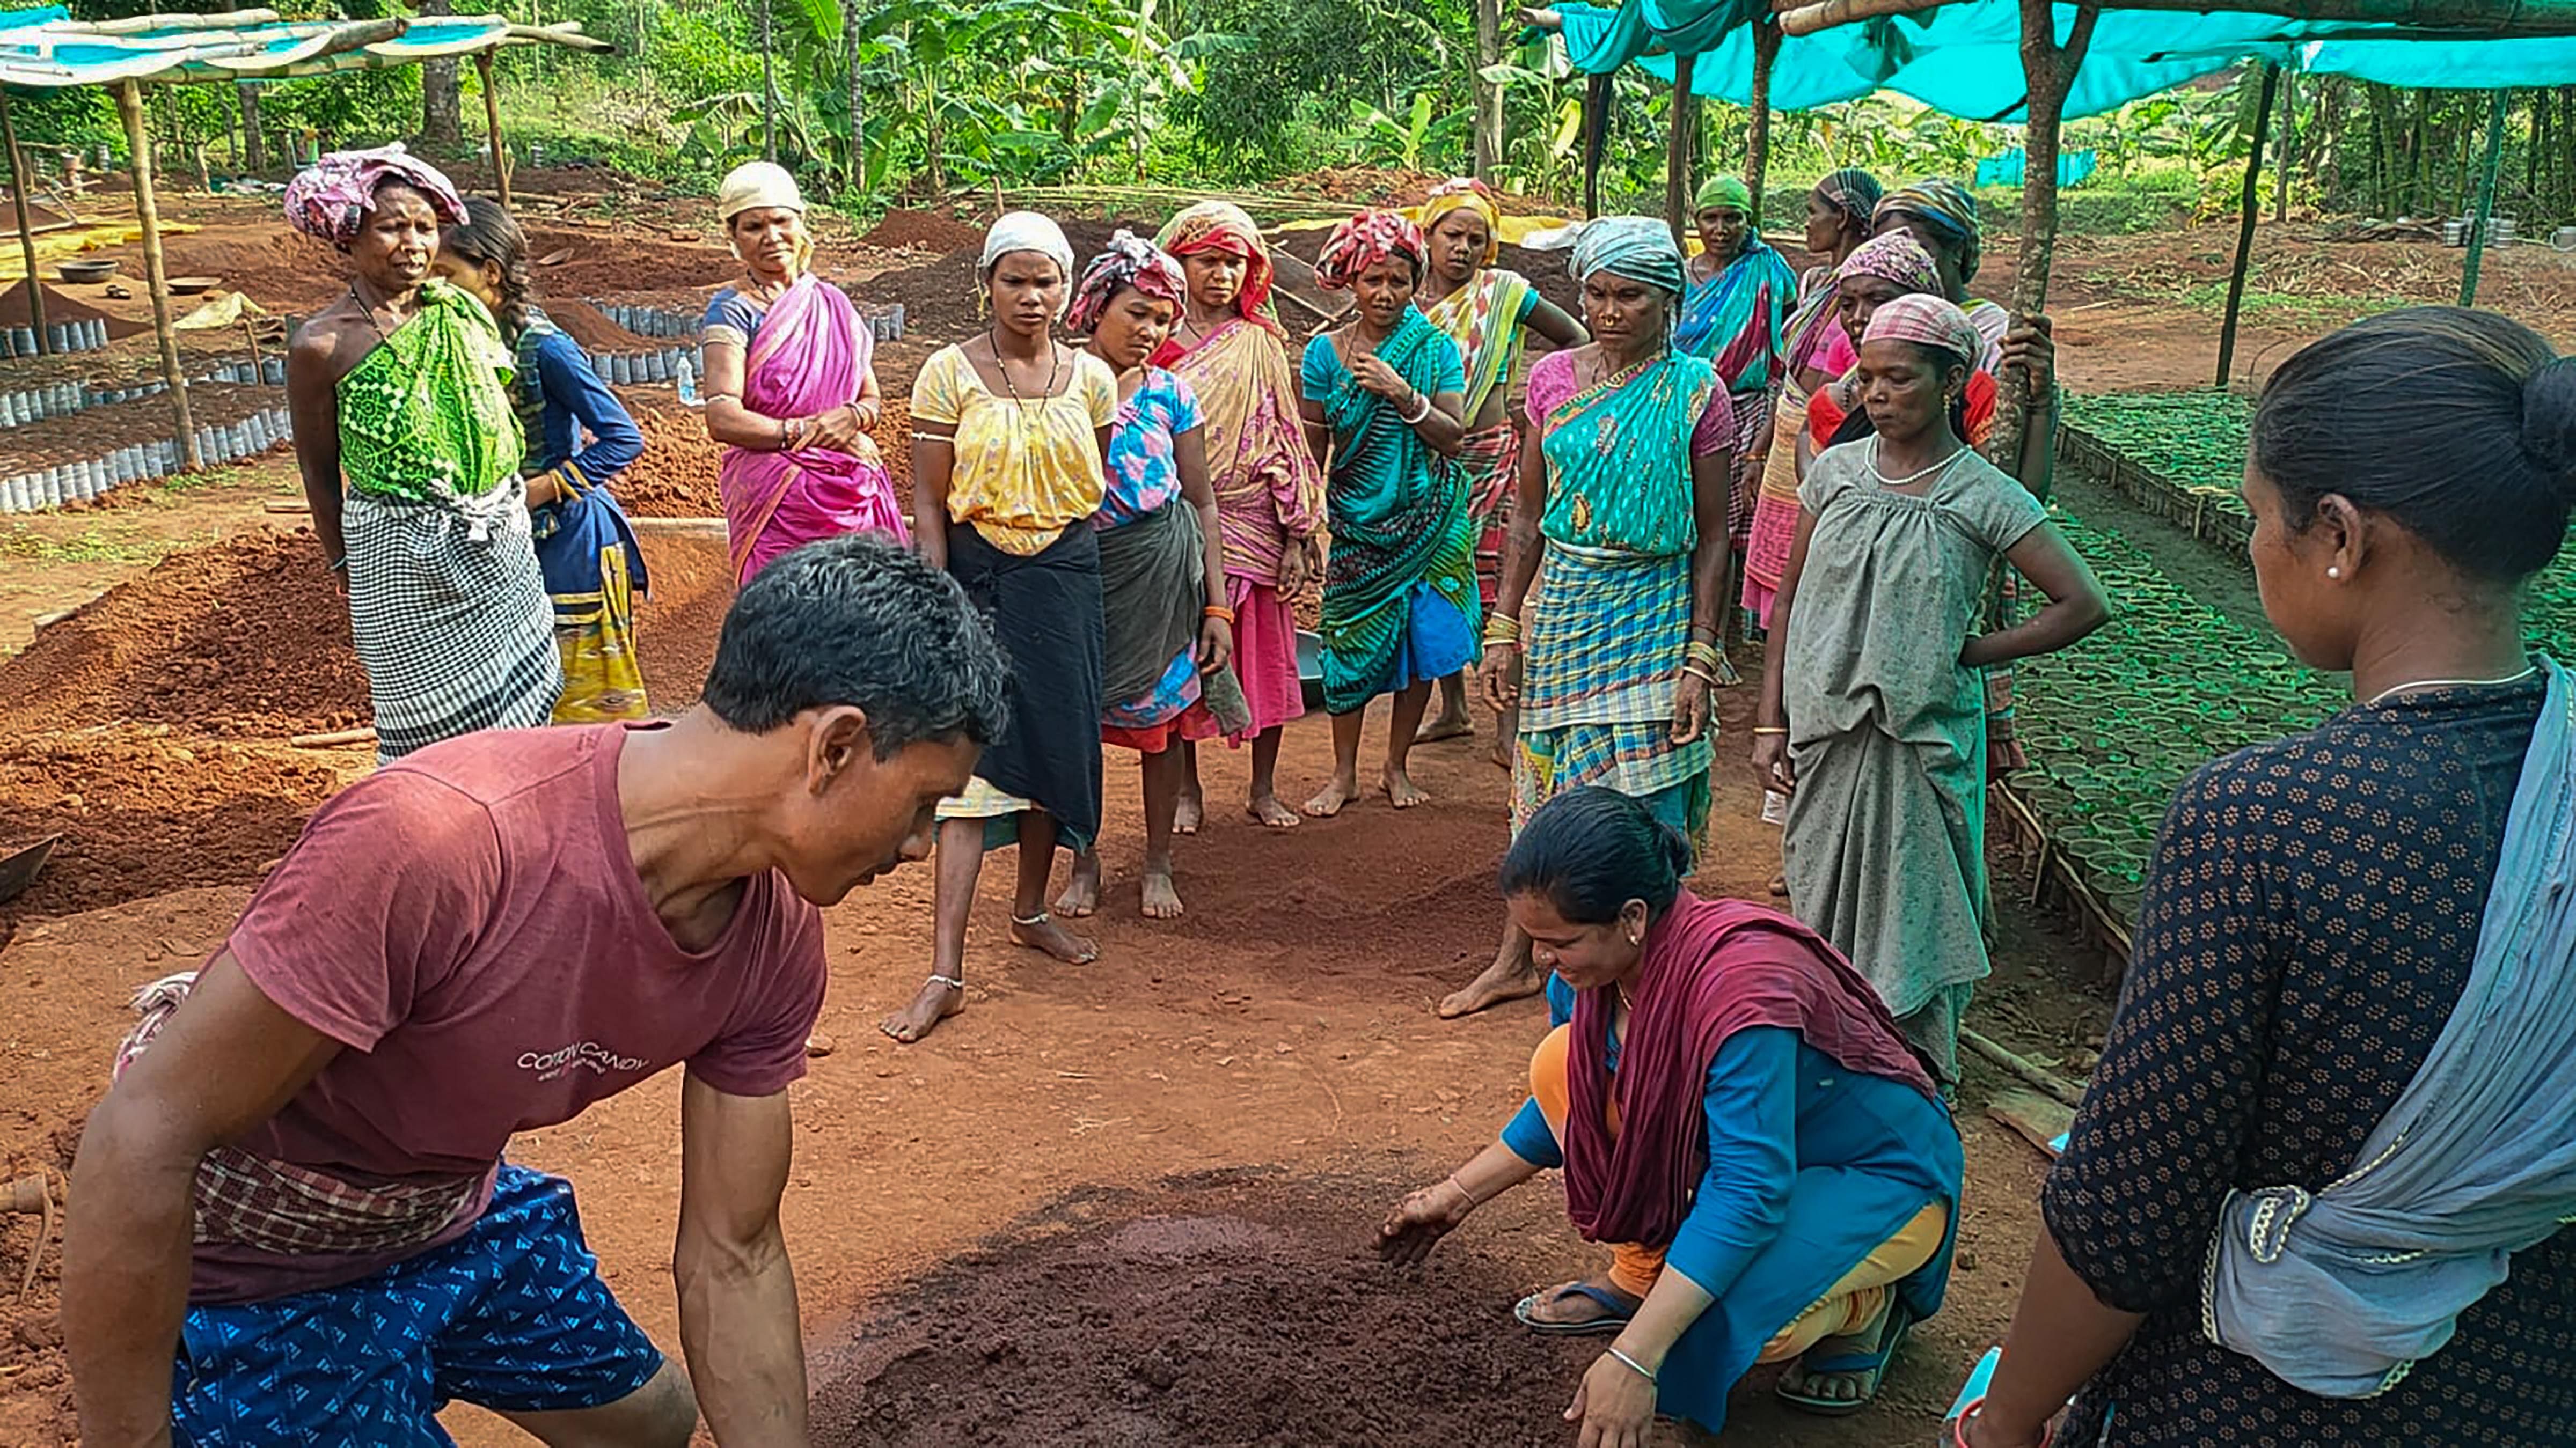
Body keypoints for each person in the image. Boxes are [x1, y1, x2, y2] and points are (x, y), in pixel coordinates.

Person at [61, 535, 1011, 1447]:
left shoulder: (775, 937)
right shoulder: (440, 842)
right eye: (925, 800)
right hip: (260, 1275)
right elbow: (143, 1135)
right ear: (835, 748)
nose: (921, 844)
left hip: (443, 1204)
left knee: (647, 1423)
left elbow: (737, 1251)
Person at [1961, 308, 2576, 1448]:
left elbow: (2127, 1213)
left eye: (2255, 515)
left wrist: (2007, 1418)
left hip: (2260, 1403)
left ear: (2338, 534)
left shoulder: (2266, 819)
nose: (2253, 545)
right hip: (2526, 1386)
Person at [1381, 787, 1965, 1436]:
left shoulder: (1744, 992)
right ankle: (1642, 1275)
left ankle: (1865, 1308)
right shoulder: (1594, 976)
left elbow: (1749, 1188)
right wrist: (1454, 1195)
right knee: (1561, 1056)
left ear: (1632, 916)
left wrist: (1635, 1354)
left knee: (1729, 1324)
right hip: (1760, 1157)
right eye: (1535, 939)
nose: (1543, 958)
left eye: (1561, 940)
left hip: (1874, 1172)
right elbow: (1574, 1101)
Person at [1755, 295, 2107, 1087]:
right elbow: (1791, 596)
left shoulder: (1982, 494)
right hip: (1826, 733)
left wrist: (1969, 651)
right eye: (1868, 378)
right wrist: (1768, 720)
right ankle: (1830, 1047)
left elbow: (2082, 602)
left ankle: (1911, 1070)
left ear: (1953, 382)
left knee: (1914, 905)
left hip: (1920, 741)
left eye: (1899, 379)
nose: (1877, 395)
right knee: (1820, 898)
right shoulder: (1837, 474)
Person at [1437, 217, 1732, 1022]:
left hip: (1656, 610)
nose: (1609, 311)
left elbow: (1714, 536)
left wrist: (1700, 658)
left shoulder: (1700, 393)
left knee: (1648, 800)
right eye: (1596, 294)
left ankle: (1664, 988)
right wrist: (1504, 626)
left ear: (1669, 300)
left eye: (1630, 295)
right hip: (1566, 609)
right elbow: (1529, 518)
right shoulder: (1553, 380)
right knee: (1546, 795)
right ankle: (1518, 960)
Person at [885, 211, 1118, 1046]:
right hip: (978, 578)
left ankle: (1029, 909)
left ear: (1067, 289)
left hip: (1065, 577)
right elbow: (926, 497)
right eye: (1014, 279)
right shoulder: (949, 374)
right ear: (985, 284)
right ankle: (945, 968)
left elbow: (1088, 470)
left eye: (1046, 280)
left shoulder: (1093, 379)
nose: (1031, 296)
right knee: (972, 767)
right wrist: (939, 594)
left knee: (1055, 747)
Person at [283, 145, 558, 762]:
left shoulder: (459, 310)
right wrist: (341, 566)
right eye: (391, 227)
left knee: (521, 711)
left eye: (425, 228)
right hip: (398, 555)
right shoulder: (321, 344)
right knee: (422, 727)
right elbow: (317, 467)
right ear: (349, 237)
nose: (412, 243)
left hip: (496, 545)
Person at [1054, 233, 1245, 922]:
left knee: (1162, 726)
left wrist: (1217, 607)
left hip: (1164, 577)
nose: (1149, 330)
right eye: (1136, 312)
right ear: (1097, 306)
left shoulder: (1171, 394)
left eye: (1163, 318)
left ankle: (1158, 860)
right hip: (1079, 573)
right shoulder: (1059, 383)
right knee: (1077, 727)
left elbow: (1202, 500)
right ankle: (1084, 859)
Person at [436, 195, 653, 723]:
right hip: (505, 538)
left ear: (491, 273)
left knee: (582, 705)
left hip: (570, 542)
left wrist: (541, 488)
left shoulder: (545, 348)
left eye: (446, 273)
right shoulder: (461, 346)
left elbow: (622, 437)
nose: (433, 290)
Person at [1871, 178, 2061, 778]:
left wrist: (2039, 400)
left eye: (1918, 242)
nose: (1902, 254)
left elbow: (2018, 487)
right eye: (1886, 240)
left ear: (1958, 254)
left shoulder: (1987, 335)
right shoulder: (1878, 329)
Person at [1153, 201, 1328, 832]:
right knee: (1181, 659)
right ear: (1180, 263)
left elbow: (1288, 440)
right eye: (1209, 262)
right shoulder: (1158, 343)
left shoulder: (1261, 343)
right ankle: (1187, 790)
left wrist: (1296, 534)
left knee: (1266, 658)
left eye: (1235, 264)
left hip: (1254, 519)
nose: (1222, 275)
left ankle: (1262, 786)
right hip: (1177, 525)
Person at [1298, 209, 1474, 817]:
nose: (1385, 293)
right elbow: (1313, 442)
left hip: (1430, 519)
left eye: (1398, 280)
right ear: (1351, 281)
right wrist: (1305, 522)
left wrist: (1404, 393)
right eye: (1373, 280)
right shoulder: (1324, 355)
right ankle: (1342, 773)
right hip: (1355, 523)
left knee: (1423, 643)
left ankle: (1395, 766)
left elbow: (1453, 437)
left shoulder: (1435, 349)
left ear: (1414, 283)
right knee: (1345, 643)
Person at [1409, 178, 1588, 758]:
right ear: (1428, 236)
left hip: (1488, 453)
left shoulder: (1506, 293)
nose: (1461, 247)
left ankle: (1507, 727)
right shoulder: (1407, 304)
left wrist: (1542, 393)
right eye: (1451, 234)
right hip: (1427, 457)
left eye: (1475, 238)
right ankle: (1455, 707)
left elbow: (1576, 337)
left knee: (1494, 583)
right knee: (1436, 581)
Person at [699, 160, 905, 584]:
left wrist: (851, 419)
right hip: (776, 502)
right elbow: (722, 417)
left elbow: (870, 398)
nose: (771, 236)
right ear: (734, 237)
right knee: (786, 625)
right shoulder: (732, 310)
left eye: (781, 221)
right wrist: (807, 431)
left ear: (801, 223)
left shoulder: (833, 304)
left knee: (867, 625)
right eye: (753, 227)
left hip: (849, 491)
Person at [1741, 167, 1879, 629]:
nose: (1806, 223)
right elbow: (1789, 377)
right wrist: (1760, 446)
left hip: (1829, 440)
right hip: (1790, 433)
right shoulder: (1815, 283)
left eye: (1812, 212)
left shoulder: (1865, 289)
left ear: (1841, 217)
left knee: (1809, 572)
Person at [1672, 173, 1799, 626]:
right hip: (1685, 408)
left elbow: (1789, 343)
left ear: (1749, 221)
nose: (1722, 228)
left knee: (1725, 523)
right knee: (1683, 510)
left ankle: (1718, 631)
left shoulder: (1769, 271)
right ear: (1696, 221)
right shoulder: (1680, 276)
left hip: (1747, 409)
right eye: (1711, 218)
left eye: (1733, 218)